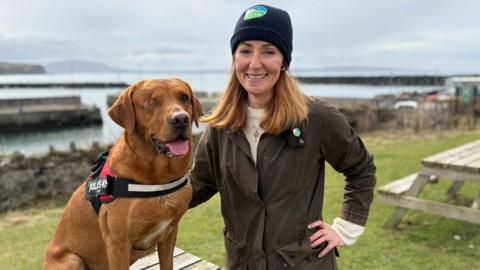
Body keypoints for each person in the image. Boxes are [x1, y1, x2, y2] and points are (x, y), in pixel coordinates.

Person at [189, 4, 376, 270]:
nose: (255, 63)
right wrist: (147, 193)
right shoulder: (221, 125)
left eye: (268, 51)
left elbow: (361, 168)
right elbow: (199, 184)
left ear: (284, 60)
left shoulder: (316, 118)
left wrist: (346, 227)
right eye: (245, 51)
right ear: (234, 59)